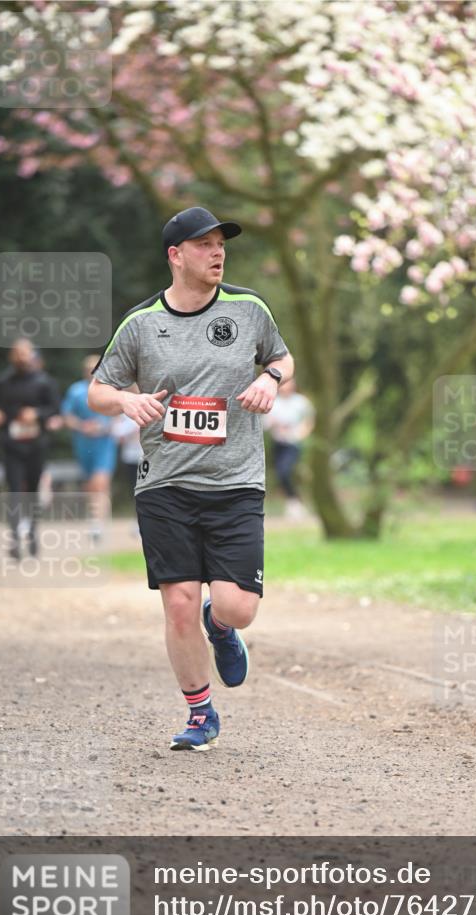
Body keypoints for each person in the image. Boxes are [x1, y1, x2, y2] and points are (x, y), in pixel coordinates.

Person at [88, 206, 293, 751]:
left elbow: (282, 358)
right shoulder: (140, 325)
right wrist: (125, 398)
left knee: (236, 607)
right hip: (165, 485)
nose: (218, 252)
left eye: (221, 243)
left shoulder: (248, 310)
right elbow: (98, 390)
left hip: (236, 483)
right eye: (204, 245)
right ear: (176, 256)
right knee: (177, 599)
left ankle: (220, 627)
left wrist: (271, 380)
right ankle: (201, 713)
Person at [0, 338, 60, 558]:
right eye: (18, 353)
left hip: (36, 446)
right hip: (11, 446)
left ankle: (33, 533)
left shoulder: (44, 382)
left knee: (33, 491)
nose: (22, 357)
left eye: (25, 353)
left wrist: (37, 414)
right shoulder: (2, 381)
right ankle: (15, 538)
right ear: (12, 356)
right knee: (15, 491)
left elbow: (55, 408)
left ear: (32, 355)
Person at [62, 355, 118, 542]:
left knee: (100, 481)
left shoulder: (110, 388)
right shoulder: (76, 391)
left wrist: (107, 426)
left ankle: (97, 523)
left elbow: (119, 412)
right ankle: (95, 517)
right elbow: (67, 416)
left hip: (105, 443)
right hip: (83, 444)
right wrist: (82, 426)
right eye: (89, 368)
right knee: (91, 485)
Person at [263, 377, 315, 518]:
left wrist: (301, 433)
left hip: (293, 443)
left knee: (285, 471)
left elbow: (309, 420)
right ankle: (293, 502)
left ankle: (294, 502)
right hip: (278, 443)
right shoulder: (274, 402)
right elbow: (266, 423)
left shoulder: (301, 402)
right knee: (281, 473)